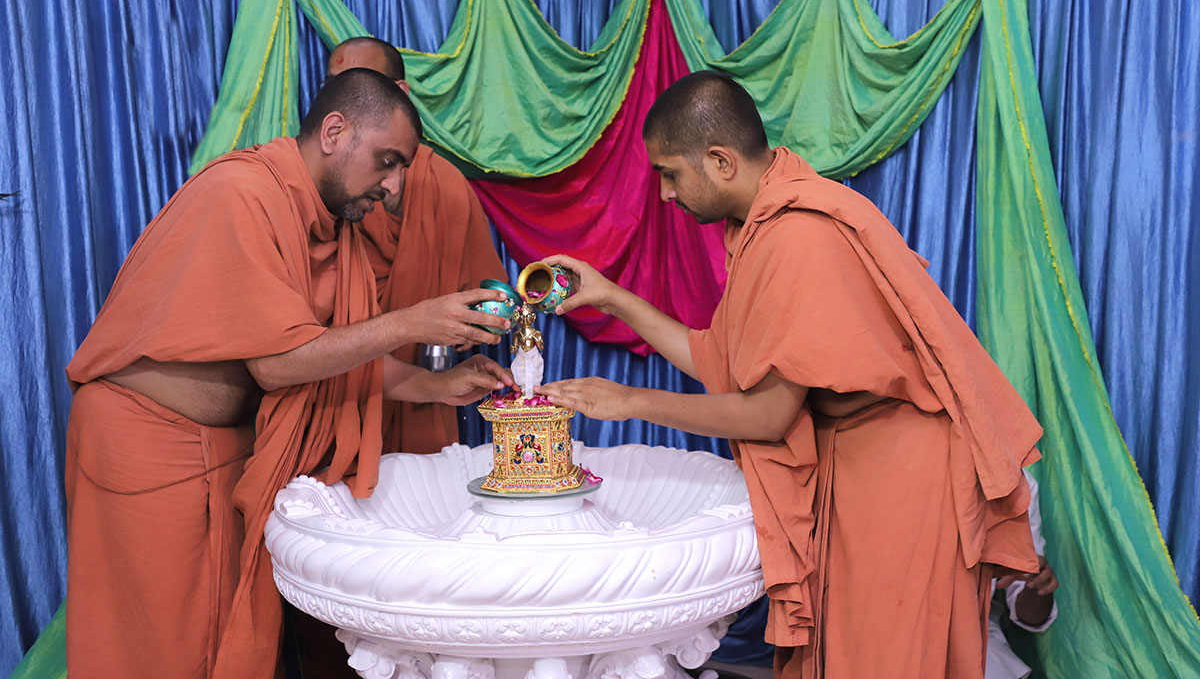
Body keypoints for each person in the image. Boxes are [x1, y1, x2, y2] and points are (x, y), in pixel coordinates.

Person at [537, 71, 1044, 679]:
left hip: (901, 474)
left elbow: (767, 415)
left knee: (882, 661)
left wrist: (627, 401)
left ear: (720, 161)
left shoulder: (798, 235)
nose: (666, 194)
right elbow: (717, 360)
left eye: (670, 173)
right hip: (859, 461)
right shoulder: (766, 221)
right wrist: (612, 296)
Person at [64, 68, 514, 679]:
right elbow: (279, 363)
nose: (393, 185)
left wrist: (435, 386)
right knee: (157, 651)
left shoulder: (333, 223)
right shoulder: (242, 194)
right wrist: (411, 322)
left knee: (221, 644)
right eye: (386, 161)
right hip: (145, 443)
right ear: (334, 132)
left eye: (402, 168)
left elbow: (335, 355)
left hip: (231, 451)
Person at [328, 36, 507, 453]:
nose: (344, 98)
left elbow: (493, 298)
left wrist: (476, 323)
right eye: (333, 85)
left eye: (360, 83)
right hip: (335, 397)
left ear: (401, 93)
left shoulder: (443, 184)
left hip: (428, 391)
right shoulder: (323, 185)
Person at [987, 470, 1058, 679]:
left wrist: (1037, 583)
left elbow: (1031, 617)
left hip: (975, 641)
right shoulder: (903, 471)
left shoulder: (1016, 484)